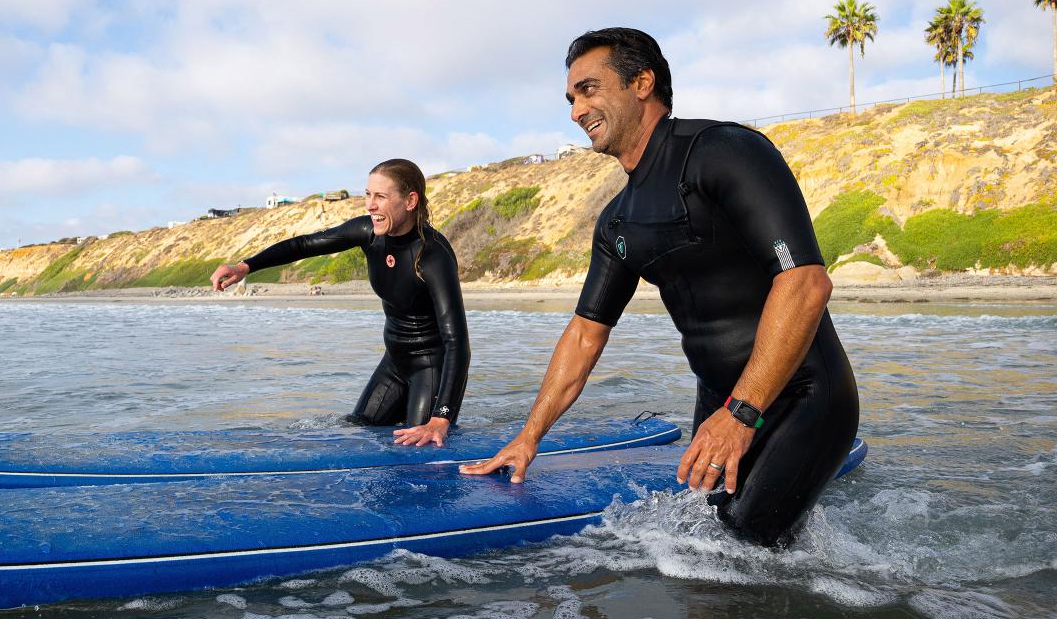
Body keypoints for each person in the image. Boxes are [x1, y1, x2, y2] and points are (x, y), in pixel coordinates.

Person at [460, 28, 859, 548]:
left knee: (735, 551)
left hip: (804, 393)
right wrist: (527, 439)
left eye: (588, 89)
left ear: (642, 82)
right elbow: (585, 334)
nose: (576, 111)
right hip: (720, 402)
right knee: (702, 543)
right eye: (571, 98)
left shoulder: (724, 151)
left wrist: (741, 413)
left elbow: (805, 281)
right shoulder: (618, 221)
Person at [211, 159, 470, 448]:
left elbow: (456, 342)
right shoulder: (369, 233)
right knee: (360, 432)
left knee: (419, 451)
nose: (370, 204)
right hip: (395, 362)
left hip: (430, 367)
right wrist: (245, 267)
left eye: (380, 196)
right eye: (368, 194)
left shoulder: (433, 255)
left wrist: (441, 417)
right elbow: (305, 244)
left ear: (410, 201)